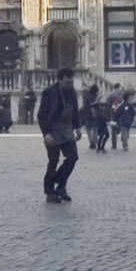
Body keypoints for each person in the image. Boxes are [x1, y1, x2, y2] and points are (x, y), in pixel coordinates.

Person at [38, 73, 79, 203]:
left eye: (71, 82)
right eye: (67, 82)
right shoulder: (49, 92)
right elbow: (42, 115)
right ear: (60, 80)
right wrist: (46, 134)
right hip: (53, 129)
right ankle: (50, 191)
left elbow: (75, 111)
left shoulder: (72, 92)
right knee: (53, 161)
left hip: (67, 128)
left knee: (73, 157)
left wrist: (77, 127)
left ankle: (60, 184)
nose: (69, 85)